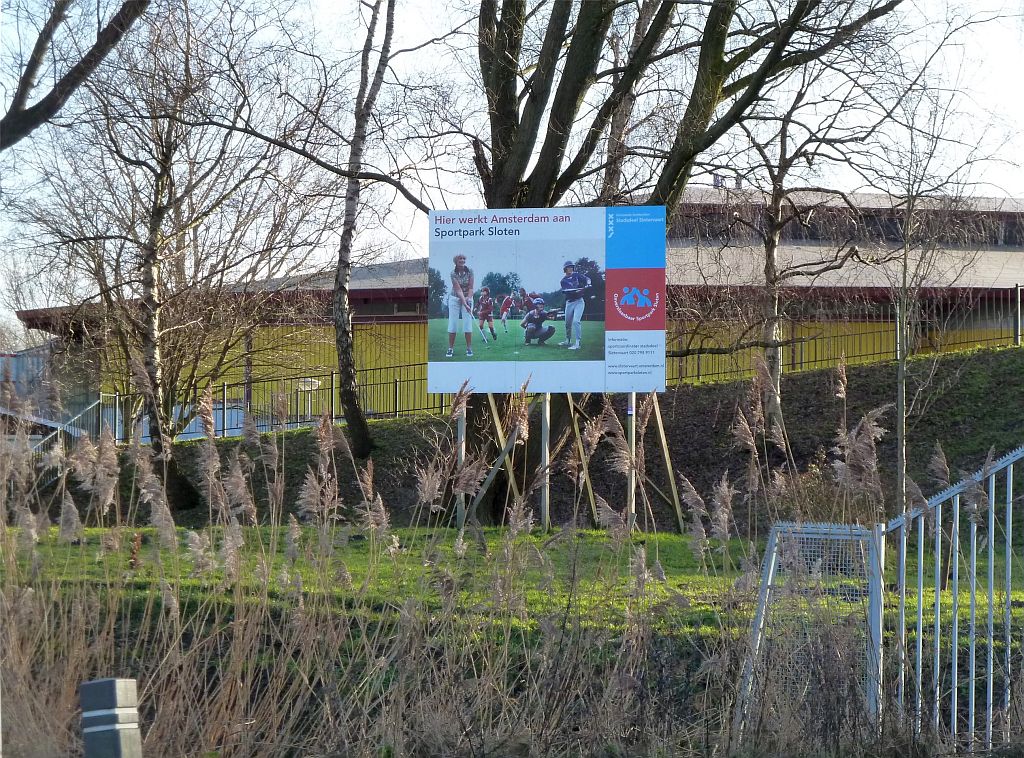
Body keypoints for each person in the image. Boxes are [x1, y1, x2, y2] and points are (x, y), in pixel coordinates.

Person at [558, 260, 591, 350]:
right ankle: (567, 340)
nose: (571, 268)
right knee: (567, 323)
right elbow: (570, 291)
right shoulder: (563, 281)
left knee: (576, 321)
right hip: (569, 302)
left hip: (579, 301)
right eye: (568, 267)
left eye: (572, 267)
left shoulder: (576, 275)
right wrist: (579, 290)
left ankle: (577, 343)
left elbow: (587, 279)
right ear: (565, 269)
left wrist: (588, 284)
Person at [446, 254, 474, 357]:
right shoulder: (453, 273)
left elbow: (471, 287)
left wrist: (469, 300)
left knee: (467, 323)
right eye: (460, 259)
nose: (462, 260)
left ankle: (469, 348)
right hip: (454, 298)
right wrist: (464, 302)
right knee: (453, 323)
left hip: (468, 297)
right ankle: (450, 348)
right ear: (456, 261)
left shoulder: (470, 270)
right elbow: (458, 289)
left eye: (463, 258)